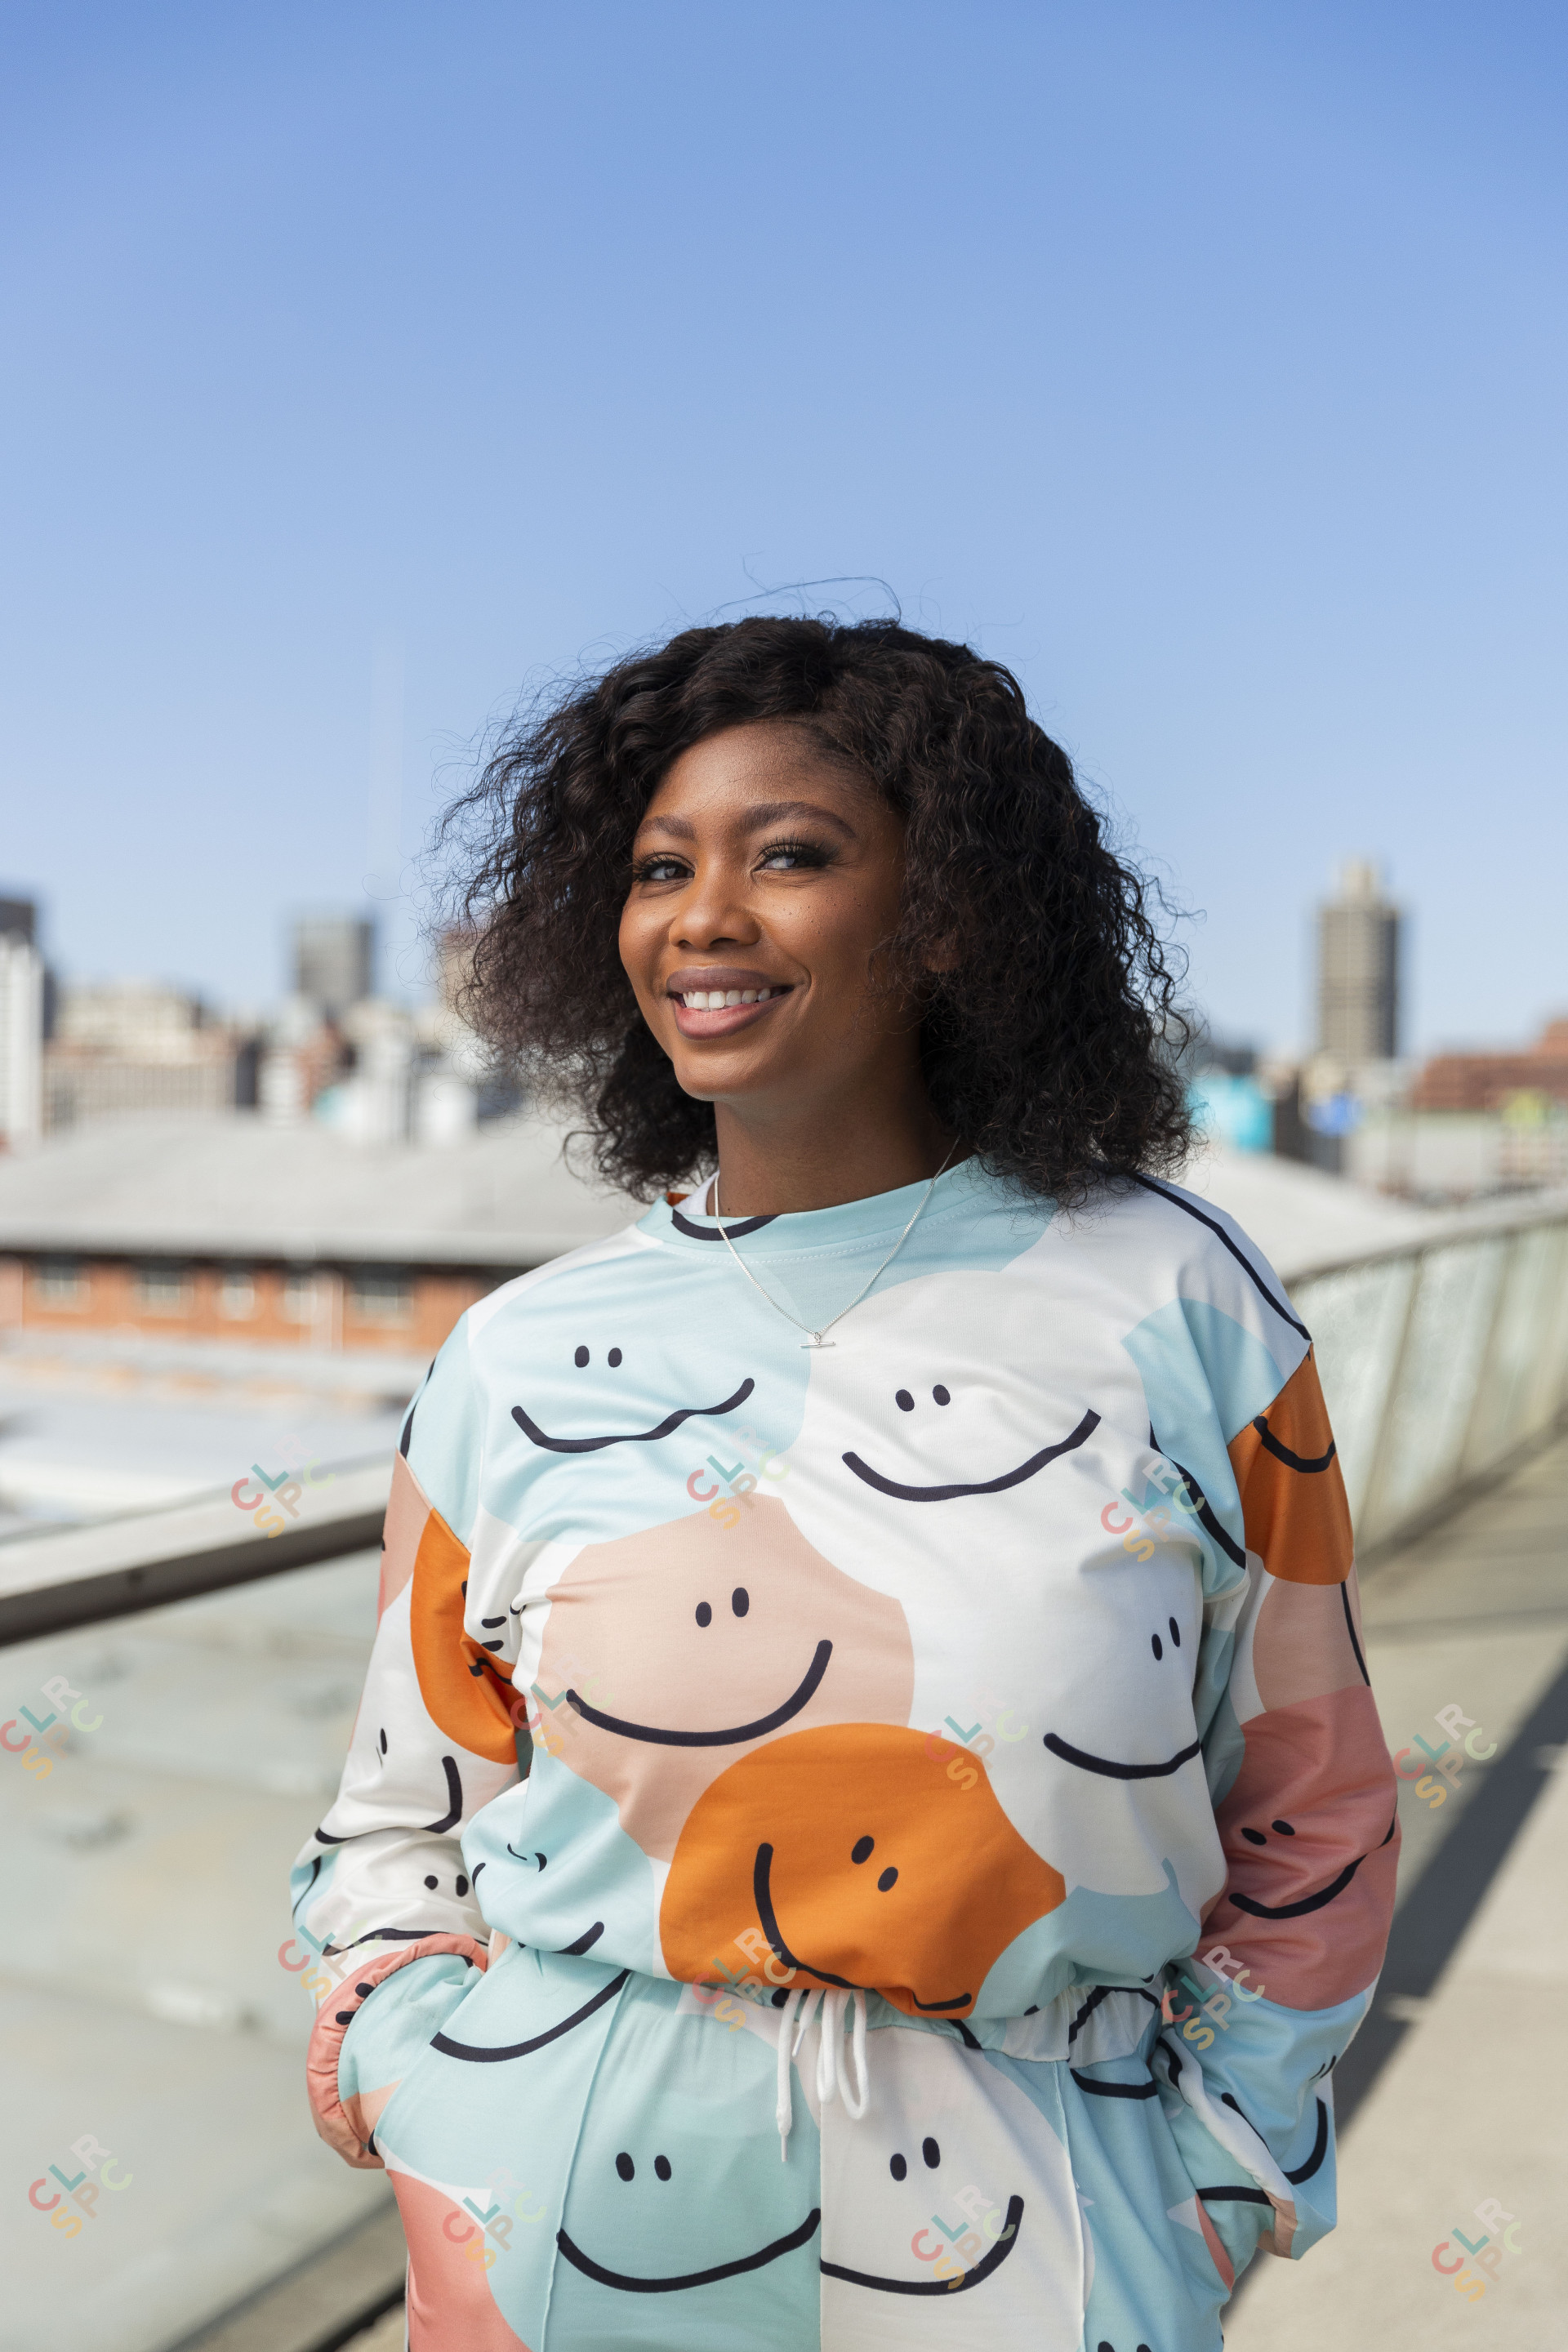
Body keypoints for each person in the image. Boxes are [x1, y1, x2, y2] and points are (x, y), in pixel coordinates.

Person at [296, 617, 1397, 2351]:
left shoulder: (1183, 1301)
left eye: (790, 856)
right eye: (661, 870)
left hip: (1042, 2235)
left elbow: (1314, 1800)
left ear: (949, 913)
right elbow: (396, 1813)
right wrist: (419, 2080)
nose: (702, 917)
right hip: (558, 2232)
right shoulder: (515, 1357)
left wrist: (1214, 2173)